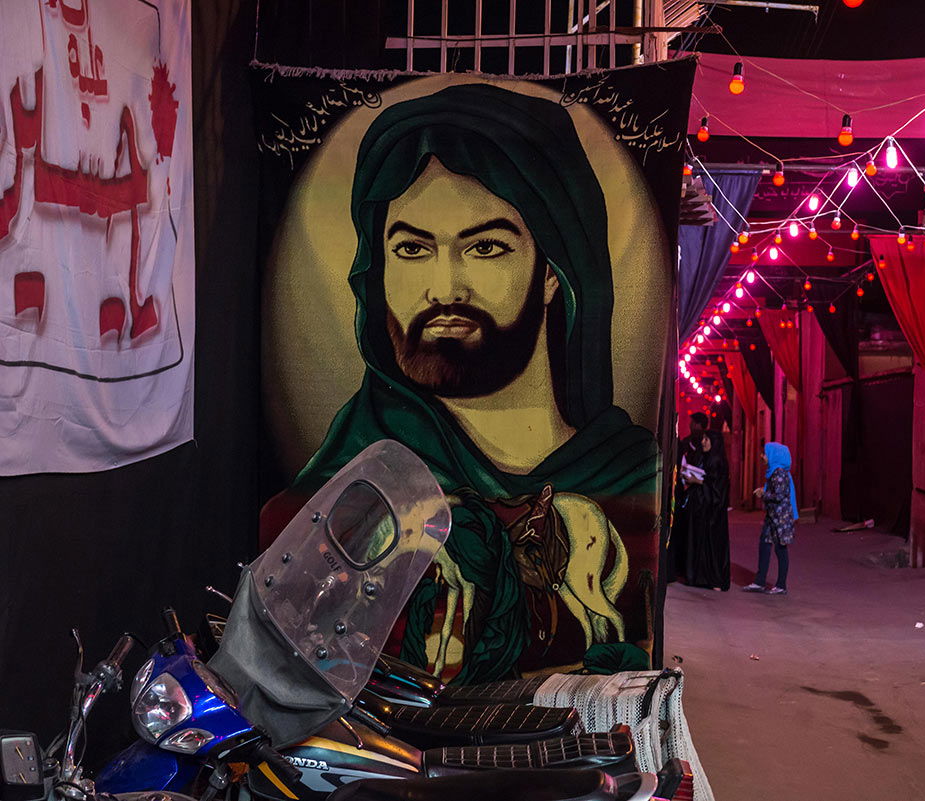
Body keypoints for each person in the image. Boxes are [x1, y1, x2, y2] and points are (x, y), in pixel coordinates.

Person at [267, 83, 660, 682]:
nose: (444, 288)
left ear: (554, 272)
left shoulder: (628, 476)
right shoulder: (345, 479)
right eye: (413, 249)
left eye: (484, 247)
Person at [679, 429, 731, 591]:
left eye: (706, 439)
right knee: (696, 542)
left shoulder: (717, 461)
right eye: (703, 439)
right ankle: (696, 576)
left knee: (711, 546)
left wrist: (699, 482)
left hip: (712, 515)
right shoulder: (704, 458)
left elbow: (718, 489)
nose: (703, 442)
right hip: (700, 510)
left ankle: (713, 579)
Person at [744, 442, 798, 595]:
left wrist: (763, 494)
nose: (762, 456)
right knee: (764, 545)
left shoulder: (779, 472)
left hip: (781, 518)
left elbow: (780, 495)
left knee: (781, 549)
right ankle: (759, 581)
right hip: (772, 516)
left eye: (765, 454)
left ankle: (781, 585)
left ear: (774, 455)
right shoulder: (773, 472)